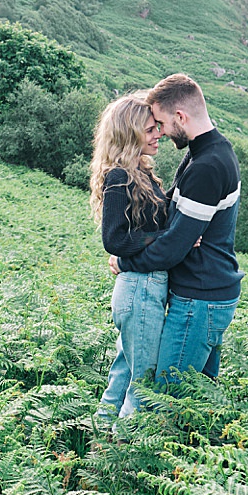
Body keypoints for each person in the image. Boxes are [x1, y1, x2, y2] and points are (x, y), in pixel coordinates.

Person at [112, 73, 242, 382]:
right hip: (210, 293)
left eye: (163, 123)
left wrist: (123, 261)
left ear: (180, 116)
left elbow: (172, 248)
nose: (161, 133)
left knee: (164, 398)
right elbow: (171, 221)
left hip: (199, 298)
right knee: (198, 397)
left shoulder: (206, 167)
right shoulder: (206, 154)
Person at [91, 92, 168, 420]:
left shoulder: (142, 173)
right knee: (143, 383)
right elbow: (114, 239)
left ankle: (100, 445)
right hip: (140, 289)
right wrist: (164, 238)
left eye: (157, 127)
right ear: (130, 132)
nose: (158, 134)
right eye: (150, 129)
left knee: (123, 374)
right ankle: (122, 456)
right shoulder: (120, 176)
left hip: (142, 288)